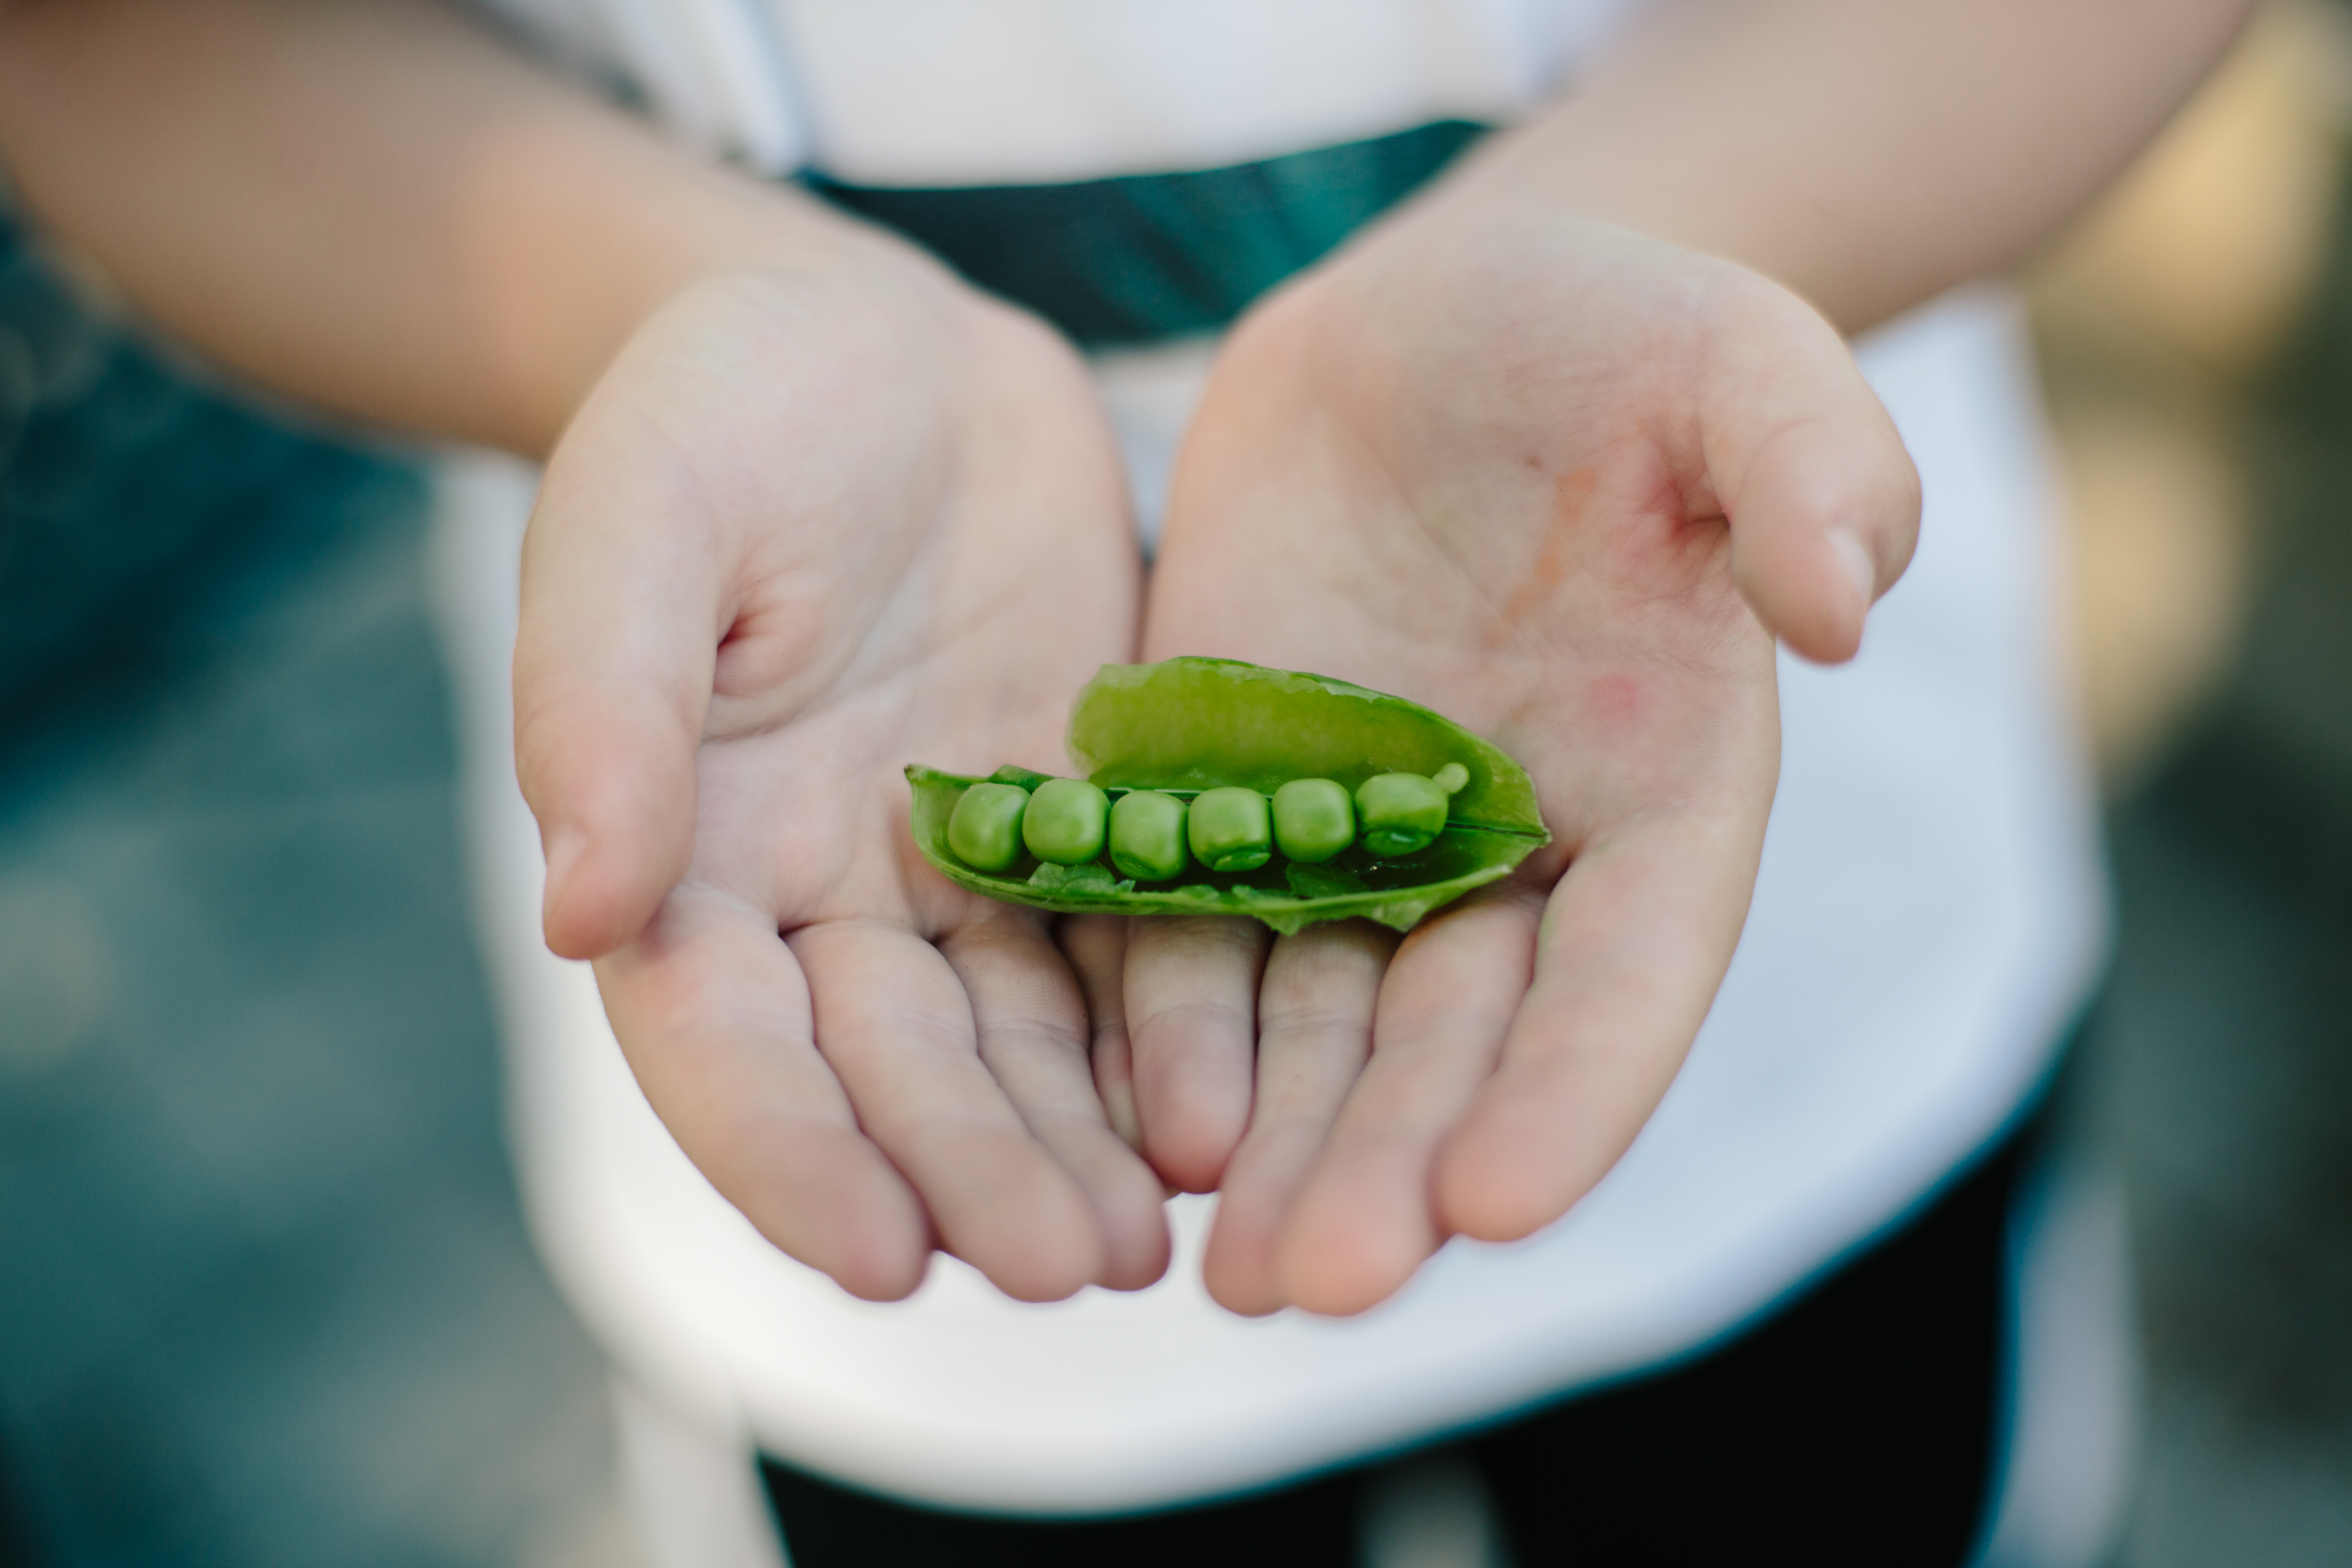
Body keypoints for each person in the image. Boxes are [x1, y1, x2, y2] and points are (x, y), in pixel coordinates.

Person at [0, 1, 2251, 1561]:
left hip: (1793, 935)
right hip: (839, 1016)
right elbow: (118, 53)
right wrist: (640, 302)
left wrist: (1687, 236)